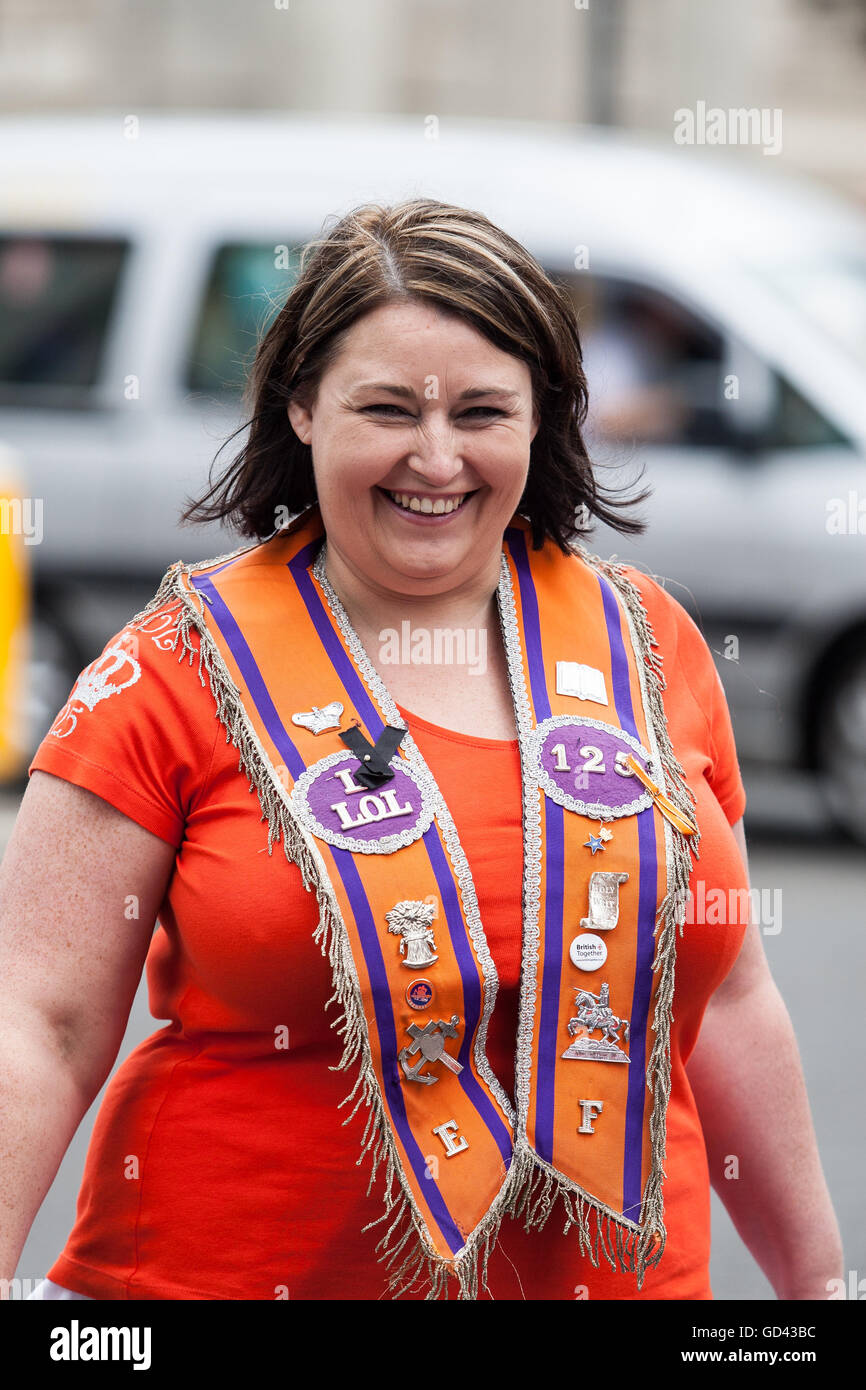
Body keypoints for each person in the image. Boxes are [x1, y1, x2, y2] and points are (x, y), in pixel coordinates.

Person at [1, 198, 841, 1301]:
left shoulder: (646, 644)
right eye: (387, 407)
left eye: (482, 410)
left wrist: (818, 1290)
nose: (435, 459)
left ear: (541, 416)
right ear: (301, 407)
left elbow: (727, 1000)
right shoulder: (171, 668)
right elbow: (39, 1026)